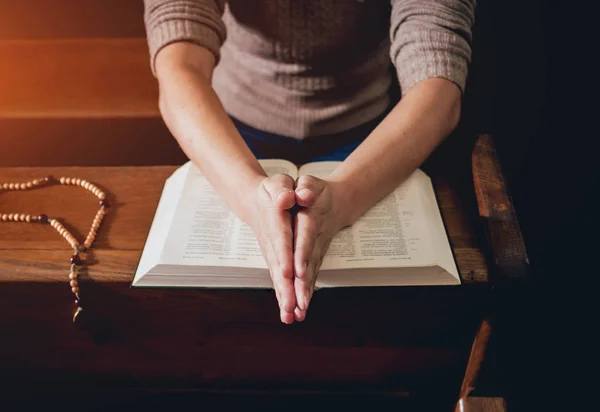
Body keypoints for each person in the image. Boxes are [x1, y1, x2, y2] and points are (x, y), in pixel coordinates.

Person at [143, 0, 476, 324]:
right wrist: (248, 195)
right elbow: (179, 61)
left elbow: (438, 78)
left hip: (375, 133)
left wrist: (345, 197)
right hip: (227, 128)